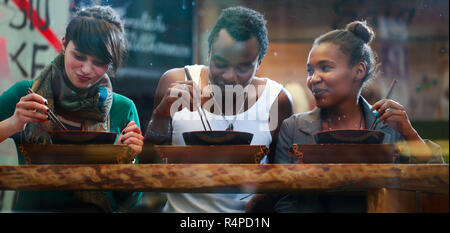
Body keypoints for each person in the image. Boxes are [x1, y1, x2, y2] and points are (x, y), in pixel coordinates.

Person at [267, 20, 443, 213]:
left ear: (359, 70)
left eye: (325, 68)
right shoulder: (293, 127)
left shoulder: (388, 125)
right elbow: (284, 198)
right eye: (310, 70)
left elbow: (436, 181)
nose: (313, 79)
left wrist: (409, 132)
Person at [145, 6, 294, 213]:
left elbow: (284, 175)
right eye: (220, 63)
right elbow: (148, 163)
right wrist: (160, 115)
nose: (229, 76)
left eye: (243, 68)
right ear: (209, 53)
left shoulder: (276, 100)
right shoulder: (176, 81)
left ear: (259, 63)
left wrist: (266, 198)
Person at [0, 5, 144, 212]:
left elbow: (130, 199)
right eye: (79, 56)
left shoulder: (123, 108)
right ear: (64, 44)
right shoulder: (28, 94)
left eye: (99, 62)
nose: (86, 69)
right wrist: (13, 123)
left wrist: (125, 159)